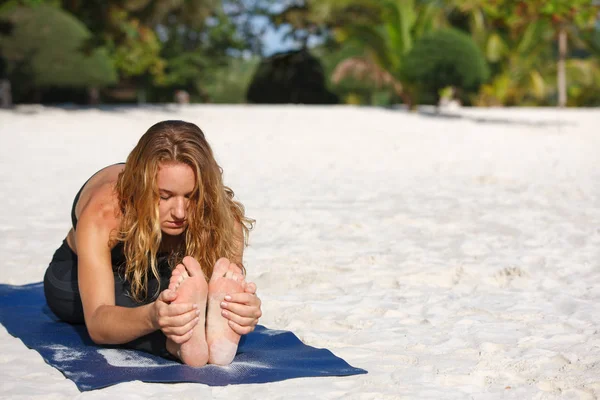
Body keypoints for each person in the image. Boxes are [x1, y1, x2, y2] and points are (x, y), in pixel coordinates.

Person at [43, 120, 262, 367]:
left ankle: (196, 331)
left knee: (176, 297)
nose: (179, 212)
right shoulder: (105, 212)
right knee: (147, 303)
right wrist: (153, 317)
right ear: (141, 186)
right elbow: (97, 321)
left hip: (159, 275)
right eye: (164, 196)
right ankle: (173, 343)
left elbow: (229, 285)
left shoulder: (222, 218)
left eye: (192, 196)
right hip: (79, 279)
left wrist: (242, 310)